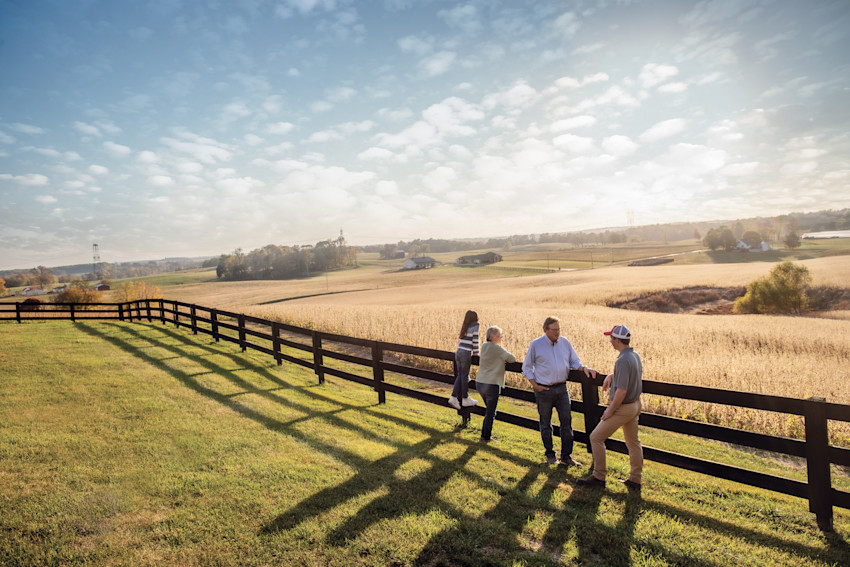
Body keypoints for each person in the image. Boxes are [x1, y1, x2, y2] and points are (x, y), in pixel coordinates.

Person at [577, 325, 643, 492]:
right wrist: (613, 375)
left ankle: (599, 476)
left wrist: (610, 410)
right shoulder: (634, 356)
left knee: (596, 438)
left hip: (623, 407)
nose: (610, 341)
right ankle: (635, 479)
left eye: (612, 338)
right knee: (633, 442)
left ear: (617, 340)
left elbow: (621, 391)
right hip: (635, 406)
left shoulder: (622, 360)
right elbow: (629, 375)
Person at [523, 316, 595, 466]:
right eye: (554, 330)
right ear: (545, 330)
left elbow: (574, 361)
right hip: (544, 390)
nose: (557, 333)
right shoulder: (536, 345)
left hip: (562, 389)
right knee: (545, 424)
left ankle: (566, 457)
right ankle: (550, 455)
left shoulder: (565, 342)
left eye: (559, 329)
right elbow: (527, 367)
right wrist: (535, 385)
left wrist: (584, 368)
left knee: (566, 423)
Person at [475, 326, 516, 442]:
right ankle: (485, 437)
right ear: (492, 336)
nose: (501, 337)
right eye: (499, 334)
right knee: (490, 412)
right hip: (491, 384)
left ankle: (485, 435)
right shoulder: (497, 349)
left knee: (489, 410)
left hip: (480, 383)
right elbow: (512, 358)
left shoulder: (484, 346)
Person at [448, 310, 480, 410]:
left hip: (458, 352)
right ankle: (465, 398)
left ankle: (453, 397)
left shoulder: (465, 326)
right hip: (466, 353)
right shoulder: (476, 325)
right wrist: (476, 352)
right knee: (464, 376)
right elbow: (475, 339)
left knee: (460, 375)